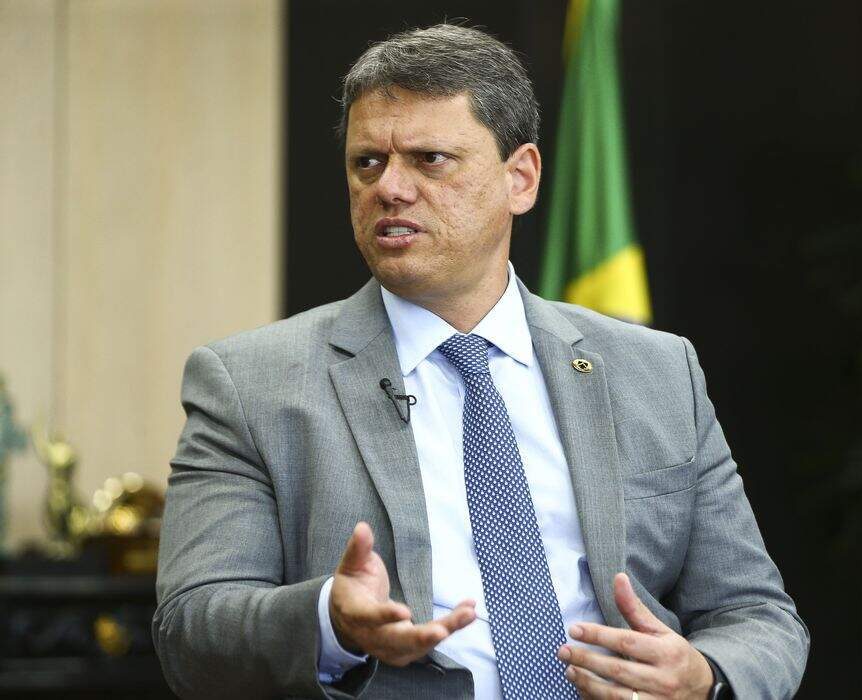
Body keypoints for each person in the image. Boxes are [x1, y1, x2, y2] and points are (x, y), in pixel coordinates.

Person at [151, 23, 808, 700]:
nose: (390, 188)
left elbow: (756, 615)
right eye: (367, 162)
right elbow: (191, 631)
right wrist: (329, 621)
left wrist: (704, 676)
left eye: (430, 159)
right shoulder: (249, 384)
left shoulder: (658, 372)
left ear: (520, 178)